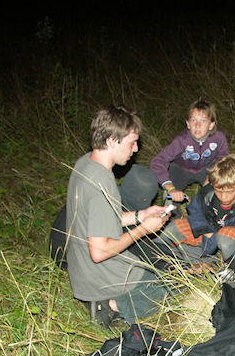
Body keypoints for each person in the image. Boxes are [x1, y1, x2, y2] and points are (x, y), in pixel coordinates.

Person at [65, 105, 172, 326]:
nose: (136, 149)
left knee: (155, 271)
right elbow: (99, 252)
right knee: (168, 289)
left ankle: (108, 300)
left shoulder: (85, 163)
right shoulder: (101, 182)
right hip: (98, 277)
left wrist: (141, 215)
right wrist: (143, 230)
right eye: (132, 142)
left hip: (81, 270)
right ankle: (110, 305)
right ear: (112, 140)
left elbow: (101, 219)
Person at [160, 155, 235, 289]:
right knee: (173, 228)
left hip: (233, 242)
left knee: (224, 237)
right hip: (210, 234)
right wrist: (204, 229)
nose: (224, 197)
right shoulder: (207, 193)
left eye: (229, 192)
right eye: (219, 191)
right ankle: (165, 259)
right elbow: (195, 210)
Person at [150, 100, 230, 203]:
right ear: (188, 124)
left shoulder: (219, 138)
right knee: (169, 196)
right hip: (182, 169)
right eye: (193, 120)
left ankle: (210, 211)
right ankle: (172, 212)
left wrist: (211, 177)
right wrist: (170, 187)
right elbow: (158, 161)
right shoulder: (181, 140)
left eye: (203, 121)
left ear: (211, 125)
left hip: (207, 169)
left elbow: (223, 159)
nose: (197, 125)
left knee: (220, 189)